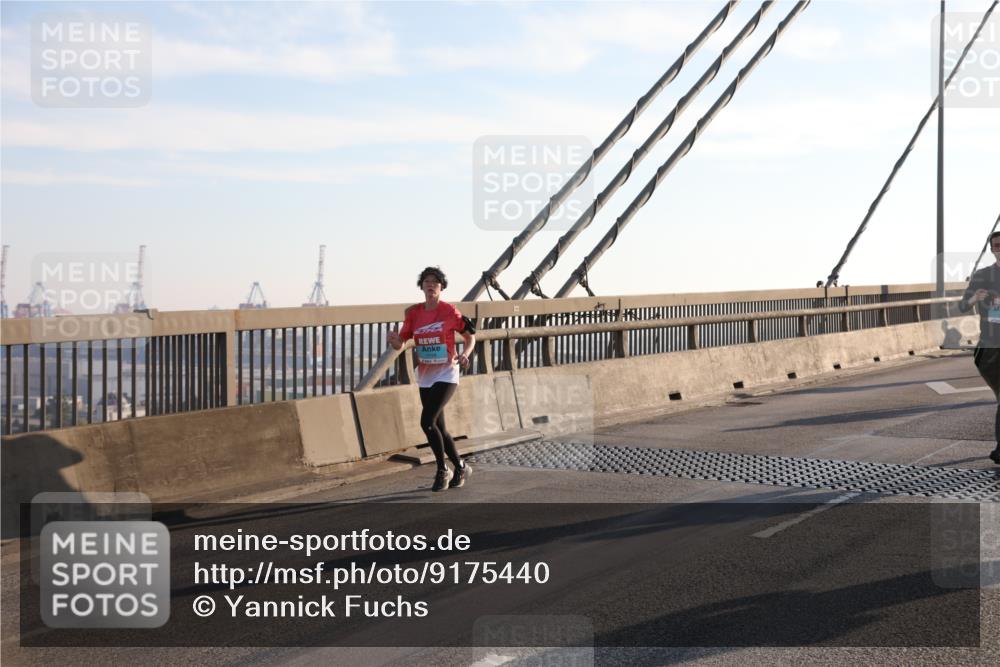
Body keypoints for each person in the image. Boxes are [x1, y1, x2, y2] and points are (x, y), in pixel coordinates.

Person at [388, 266, 476, 490]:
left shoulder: (449, 311)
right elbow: (401, 343)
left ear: (441, 287)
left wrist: (465, 354)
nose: (430, 285)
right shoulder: (415, 314)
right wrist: (393, 340)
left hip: (447, 371)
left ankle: (442, 469)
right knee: (438, 426)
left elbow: (469, 336)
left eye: (435, 282)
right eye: (427, 281)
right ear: (422, 286)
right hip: (426, 374)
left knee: (426, 422)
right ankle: (460, 466)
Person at [958, 230, 1000, 465]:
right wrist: (974, 299)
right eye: (996, 245)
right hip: (992, 347)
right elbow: (962, 306)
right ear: (992, 249)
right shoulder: (983, 275)